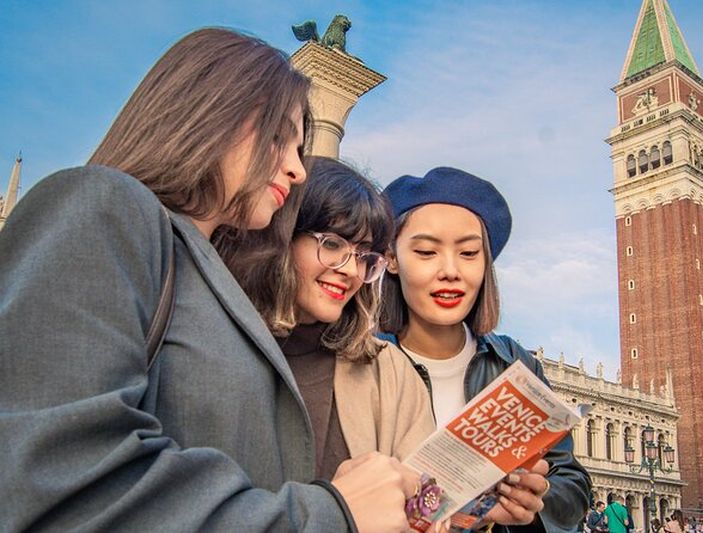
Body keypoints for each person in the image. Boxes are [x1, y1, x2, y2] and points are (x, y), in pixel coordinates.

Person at [0, 28, 418, 532]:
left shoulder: (208, 278)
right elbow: (56, 483)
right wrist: (332, 513)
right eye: (279, 138)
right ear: (210, 115)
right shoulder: (103, 205)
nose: (297, 169)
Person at [379, 167, 592, 531]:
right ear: (392, 258)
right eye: (427, 251)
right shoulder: (362, 362)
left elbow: (572, 482)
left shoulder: (515, 363)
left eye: (468, 253)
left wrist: (535, 501)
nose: (450, 270)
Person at [217, 156, 435, 478]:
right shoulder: (210, 341)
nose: (350, 270)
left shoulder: (390, 371)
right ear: (281, 236)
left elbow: (429, 502)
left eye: (364, 256)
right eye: (332, 244)